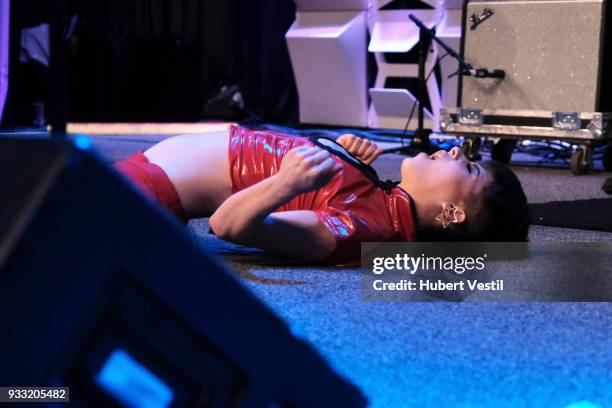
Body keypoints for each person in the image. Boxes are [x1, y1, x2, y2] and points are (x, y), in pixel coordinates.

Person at [113, 125, 529, 264]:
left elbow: (228, 224)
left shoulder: (359, 229)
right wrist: (339, 151)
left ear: (453, 212)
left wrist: (285, 183)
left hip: (143, 194)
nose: (456, 150)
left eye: (469, 166)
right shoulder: (384, 206)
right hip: (146, 183)